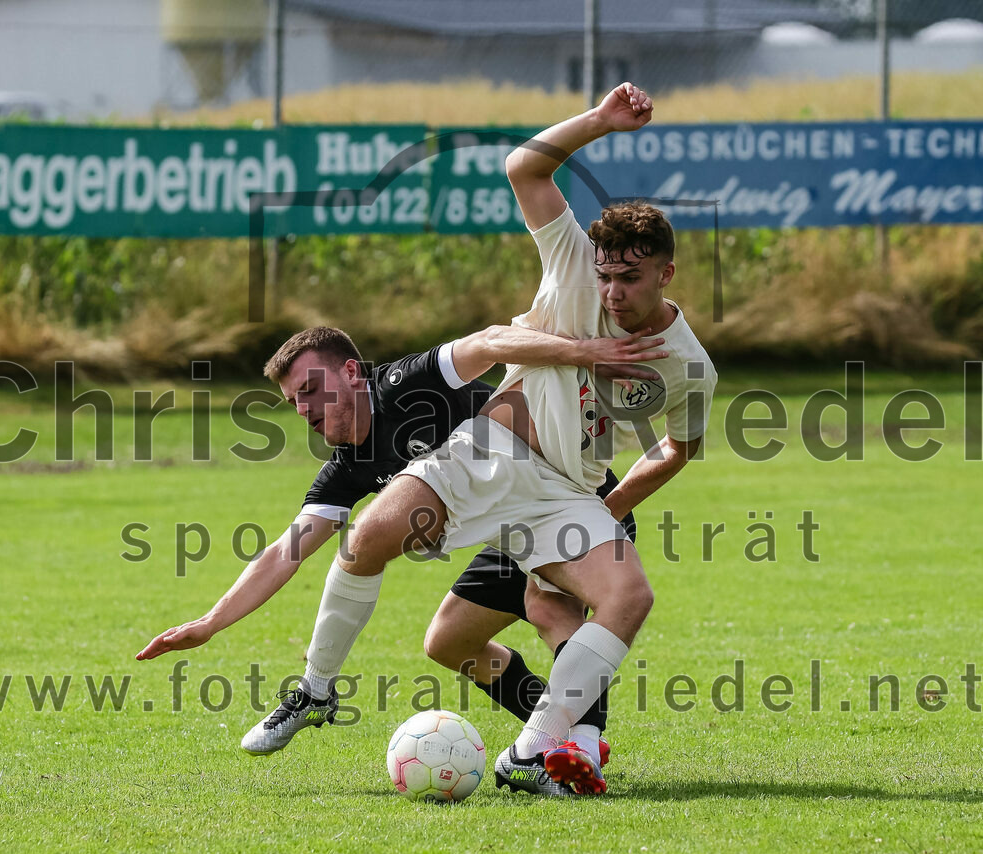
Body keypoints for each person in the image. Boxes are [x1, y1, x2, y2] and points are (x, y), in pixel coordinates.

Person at [223, 82, 717, 797]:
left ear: (666, 274)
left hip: (567, 490)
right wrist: (601, 123)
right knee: (371, 541)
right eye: (605, 277)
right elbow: (525, 167)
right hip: (489, 451)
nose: (610, 293)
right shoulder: (573, 263)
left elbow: (677, 448)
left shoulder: (689, 366)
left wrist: (612, 509)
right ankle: (318, 690)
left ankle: (543, 747)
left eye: (629, 280)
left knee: (624, 597)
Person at [136, 322, 666, 787]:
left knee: (551, 609)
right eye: (293, 401)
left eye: (309, 390)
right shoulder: (348, 467)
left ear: (350, 372)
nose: (302, 409)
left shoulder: (407, 383)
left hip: (575, 506)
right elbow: (285, 552)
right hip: (510, 530)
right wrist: (210, 623)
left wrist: (582, 350)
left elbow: (488, 341)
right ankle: (549, 728)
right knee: (448, 642)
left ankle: (579, 746)